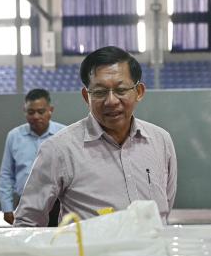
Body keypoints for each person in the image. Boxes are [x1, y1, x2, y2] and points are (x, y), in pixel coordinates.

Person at [14, 46, 177, 227]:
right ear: (86, 96)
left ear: (139, 92)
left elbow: (165, 209)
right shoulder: (59, 149)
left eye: (121, 90)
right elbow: (26, 222)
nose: (112, 101)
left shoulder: (161, 141)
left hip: (153, 253)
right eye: (99, 92)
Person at [0, 89, 65, 225]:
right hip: (24, 204)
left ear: (50, 110)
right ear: (25, 111)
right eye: (31, 112)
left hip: (57, 206)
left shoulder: (64, 134)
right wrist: (7, 208)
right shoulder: (14, 136)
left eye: (41, 111)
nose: (35, 116)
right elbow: (6, 174)